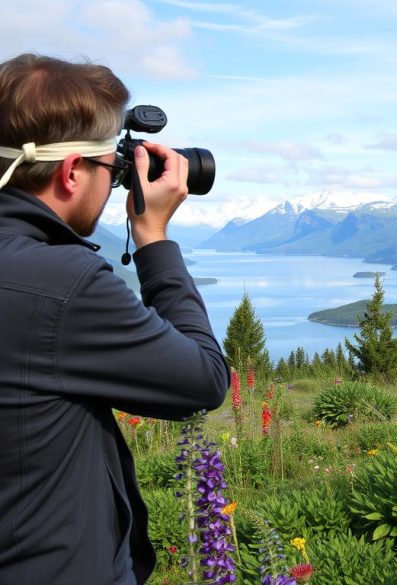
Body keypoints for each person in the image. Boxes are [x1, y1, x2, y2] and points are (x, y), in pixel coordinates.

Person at [0, 54, 228, 584]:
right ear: (71, 170)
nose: (117, 180)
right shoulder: (59, 283)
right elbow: (203, 381)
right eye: (112, 166)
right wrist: (153, 237)